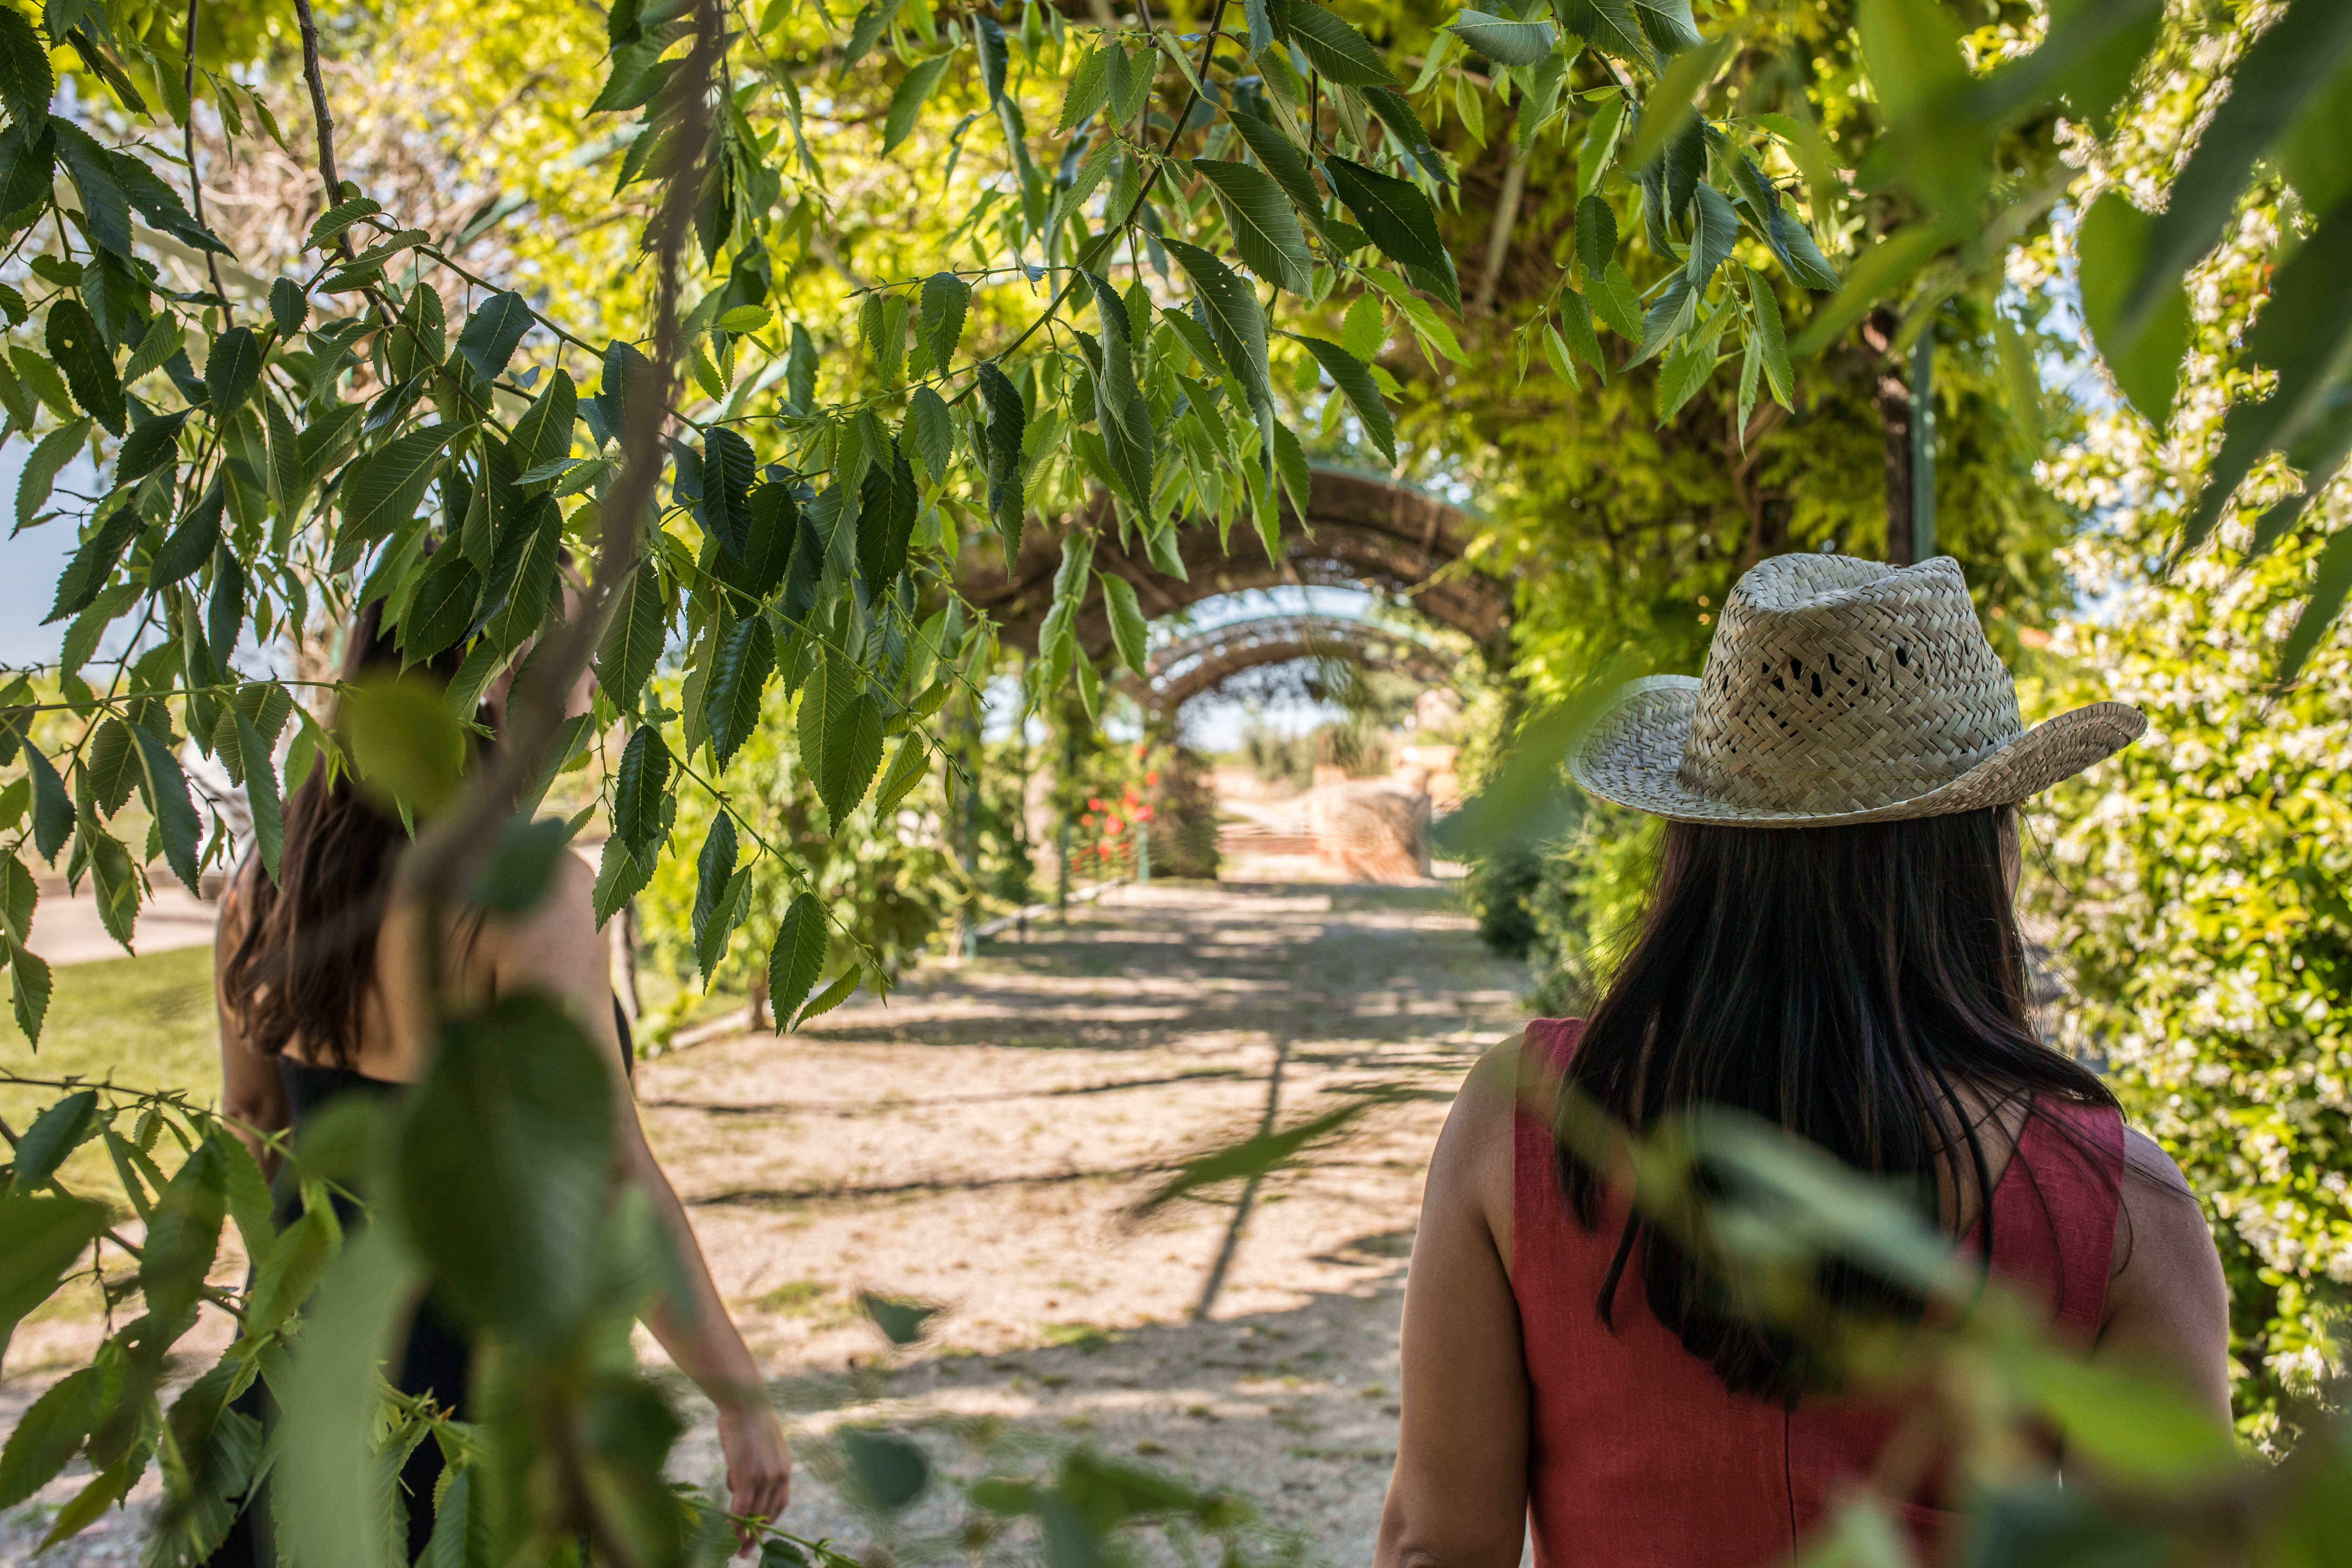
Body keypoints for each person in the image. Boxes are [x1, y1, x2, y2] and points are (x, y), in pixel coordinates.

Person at [1376, 554, 2231, 1568]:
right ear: (1980, 850)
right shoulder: (2119, 1200)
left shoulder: (1527, 1121)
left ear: (1694, 842)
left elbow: (1439, 1545)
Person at [206, 598, 792, 1563]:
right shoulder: (526, 895)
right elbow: (607, 1175)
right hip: (477, 1395)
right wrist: (737, 1392)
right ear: (488, 679)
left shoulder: (265, 880)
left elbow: (253, 1121)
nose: (594, 677)